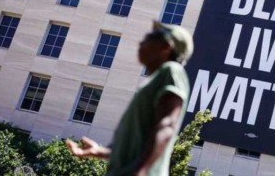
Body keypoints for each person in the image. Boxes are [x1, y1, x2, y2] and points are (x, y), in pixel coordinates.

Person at [66, 20, 194, 176]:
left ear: (166, 47)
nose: (141, 41)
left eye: (150, 36)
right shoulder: (155, 80)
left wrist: (142, 171)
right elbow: (136, 147)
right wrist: (101, 151)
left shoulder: (172, 71)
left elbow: (167, 127)